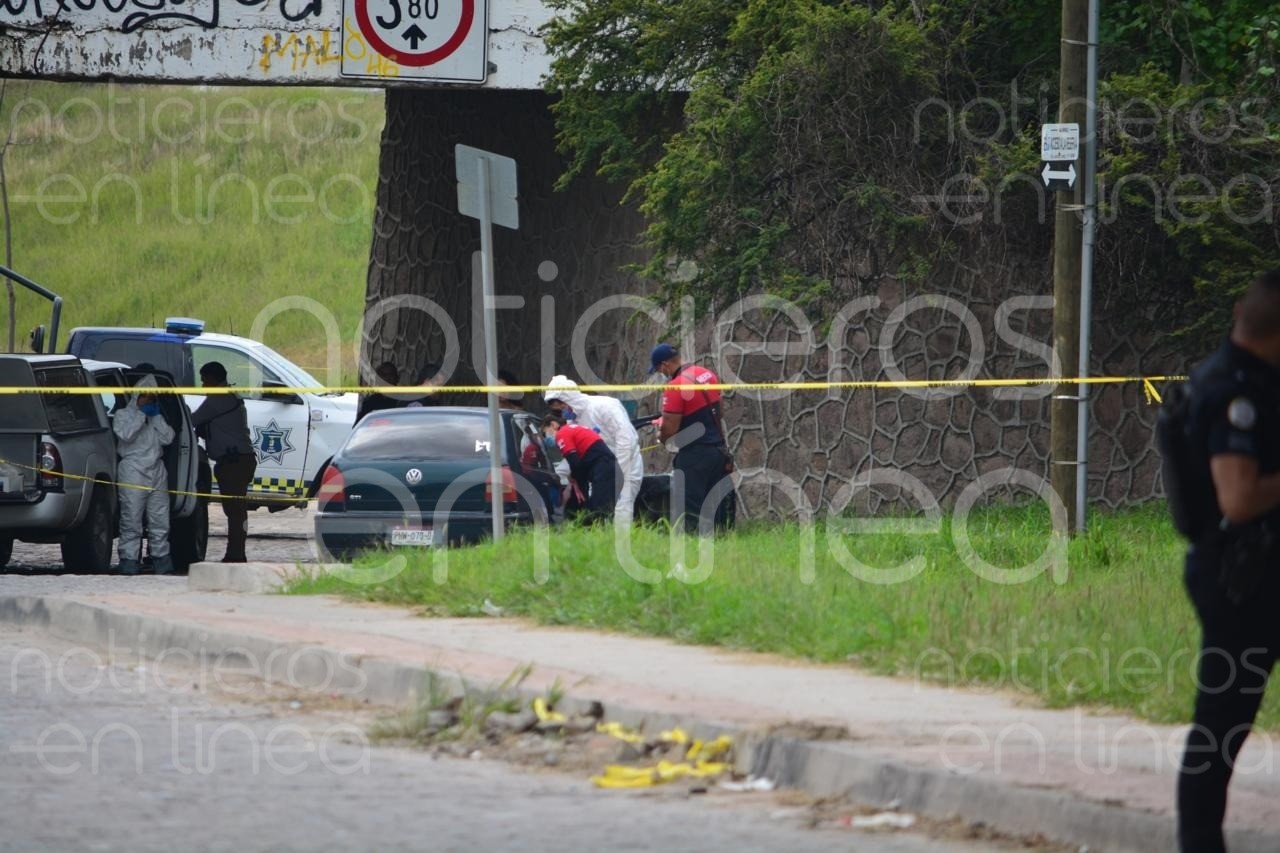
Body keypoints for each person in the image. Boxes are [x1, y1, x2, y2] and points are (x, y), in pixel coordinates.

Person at [1171, 270, 1280, 852]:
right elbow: (1237, 499)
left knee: (1220, 728)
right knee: (1221, 729)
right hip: (1245, 581)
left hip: (1252, 574)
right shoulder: (1234, 393)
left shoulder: (1248, 378)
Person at [651, 343, 734, 534]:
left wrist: (660, 434)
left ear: (664, 365)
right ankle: (720, 548)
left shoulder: (674, 386)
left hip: (694, 456)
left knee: (690, 511)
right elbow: (719, 411)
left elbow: (670, 431)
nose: (661, 373)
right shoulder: (706, 373)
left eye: (658, 370)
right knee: (716, 509)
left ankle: (693, 553)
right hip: (718, 452)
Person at [544, 375, 643, 527]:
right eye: (559, 412)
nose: (563, 414)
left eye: (563, 408)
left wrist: (618, 471)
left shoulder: (605, 406)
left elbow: (626, 440)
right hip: (601, 471)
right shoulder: (573, 421)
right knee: (601, 512)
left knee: (621, 510)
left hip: (626, 464)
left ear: (569, 399)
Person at [192, 361, 256, 563]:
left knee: (235, 512)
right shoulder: (228, 395)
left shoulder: (218, 398)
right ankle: (237, 552)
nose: (203, 386)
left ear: (213, 378)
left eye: (204, 380)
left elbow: (193, 420)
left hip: (233, 462)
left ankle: (236, 554)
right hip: (238, 460)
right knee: (236, 510)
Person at [113, 375, 175, 575]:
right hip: (133, 471)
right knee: (131, 520)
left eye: (152, 397)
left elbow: (168, 438)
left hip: (156, 470)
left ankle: (161, 560)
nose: (150, 400)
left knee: (160, 520)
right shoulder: (123, 415)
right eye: (146, 396)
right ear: (137, 396)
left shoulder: (155, 417)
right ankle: (129, 560)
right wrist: (140, 413)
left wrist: (155, 416)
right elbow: (125, 434)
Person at [541, 413, 617, 524]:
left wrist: (574, 479)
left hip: (603, 466)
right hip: (604, 464)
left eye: (545, 432)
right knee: (600, 502)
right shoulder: (573, 429)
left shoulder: (562, 434)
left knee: (600, 506)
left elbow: (574, 462)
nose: (546, 437)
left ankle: (599, 533)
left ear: (553, 425)